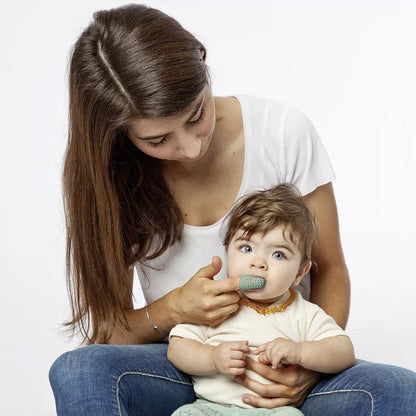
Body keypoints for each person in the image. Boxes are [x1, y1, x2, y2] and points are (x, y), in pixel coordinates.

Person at [48, 4, 416, 416]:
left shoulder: (282, 131)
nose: (188, 149)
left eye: (196, 115)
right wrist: (172, 310)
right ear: (117, 133)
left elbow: (329, 268)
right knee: (80, 370)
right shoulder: (111, 178)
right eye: (157, 140)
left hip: (279, 377)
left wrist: (304, 364)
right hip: (184, 367)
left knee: (401, 390)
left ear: (203, 63)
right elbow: (110, 330)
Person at [168, 184, 356, 416]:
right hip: (210, 408)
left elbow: (343, 351)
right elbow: (178, 347)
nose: (258, 263)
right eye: (246, 248)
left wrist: (300, 351)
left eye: (278, 254)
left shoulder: (304, 313)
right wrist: (212, 358)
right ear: (228, 253)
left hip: (273, 412)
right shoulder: (217, 304)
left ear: (300, 272)